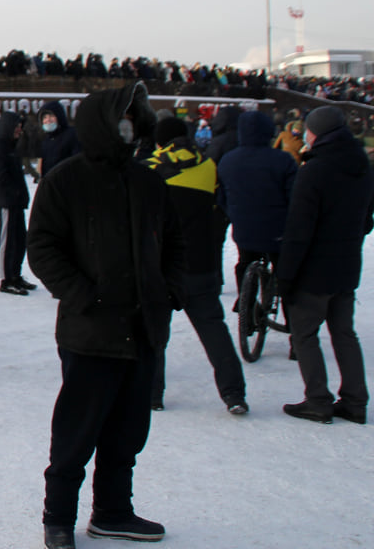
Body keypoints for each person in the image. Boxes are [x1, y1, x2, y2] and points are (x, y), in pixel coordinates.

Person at [28, 81, 183, 548]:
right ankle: (58, 518)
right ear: (102, 122)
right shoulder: (66, 179)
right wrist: (83, 295)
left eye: (135, 119)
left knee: (128, 430)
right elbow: (42, 247)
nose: (129, 126)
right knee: (77, 431)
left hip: (143, 327)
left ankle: (114, 511)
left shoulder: (148, 181)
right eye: (122, 117)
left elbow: (174, 244)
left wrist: (167, 290)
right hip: (89, 330)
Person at [276, 106, 374, 424]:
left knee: (304, 334)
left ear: (315, 133)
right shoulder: (361, 165)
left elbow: (298, 231)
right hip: (347, 266)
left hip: (315, 271)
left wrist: (286, 276)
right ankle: (356, 401)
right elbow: (367, 220)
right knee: (344, 332)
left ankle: (318, 400)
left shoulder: (314, 170)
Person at [146, 117, 247, 414]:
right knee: (213, 331)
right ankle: (234, 394)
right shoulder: (208, 166)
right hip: (201, 262)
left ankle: (152, 394)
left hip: (163, 263)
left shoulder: (151, 168)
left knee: (154, 332)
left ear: (160, 141)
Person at [217, 110, 298, 295]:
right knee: (283, 269)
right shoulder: (283, 160)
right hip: (277, 228)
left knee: (245, 260)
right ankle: (288, 313)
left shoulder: (227, 160)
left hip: (243, 226)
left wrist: (234, 213)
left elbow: (222, 196)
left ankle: (245, 299)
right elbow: (294, 196)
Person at [0, 111, 35, 295]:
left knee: (19, 239)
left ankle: (16, 275)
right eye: (16, 126)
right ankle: (6, 278)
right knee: (8, 240)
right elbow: (0, 177)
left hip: (16, 202)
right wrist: (13, 193)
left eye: (20, 127)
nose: (19, 130)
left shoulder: (12, 146)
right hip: (7, 202)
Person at [38, 100, 82, 179]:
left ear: (59, 116)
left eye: (51, 116)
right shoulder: (46, 141)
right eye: (44, 117)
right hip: (52, 185)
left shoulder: (72, 134)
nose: (48, 120)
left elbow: (78, 161)